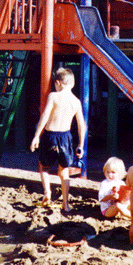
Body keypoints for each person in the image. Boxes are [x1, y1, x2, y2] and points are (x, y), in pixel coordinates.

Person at [30, 67, 86, 212]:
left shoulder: (53, 96)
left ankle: (47, 192)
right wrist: (81, 145)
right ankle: (65, 204)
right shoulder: (76, 101)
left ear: (58, 83)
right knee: (64, 172)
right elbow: (82, 126)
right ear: (72, 84)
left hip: (50, 136)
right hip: (65, 137)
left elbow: (45, 116)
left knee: (44, 167)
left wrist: (37, 136)